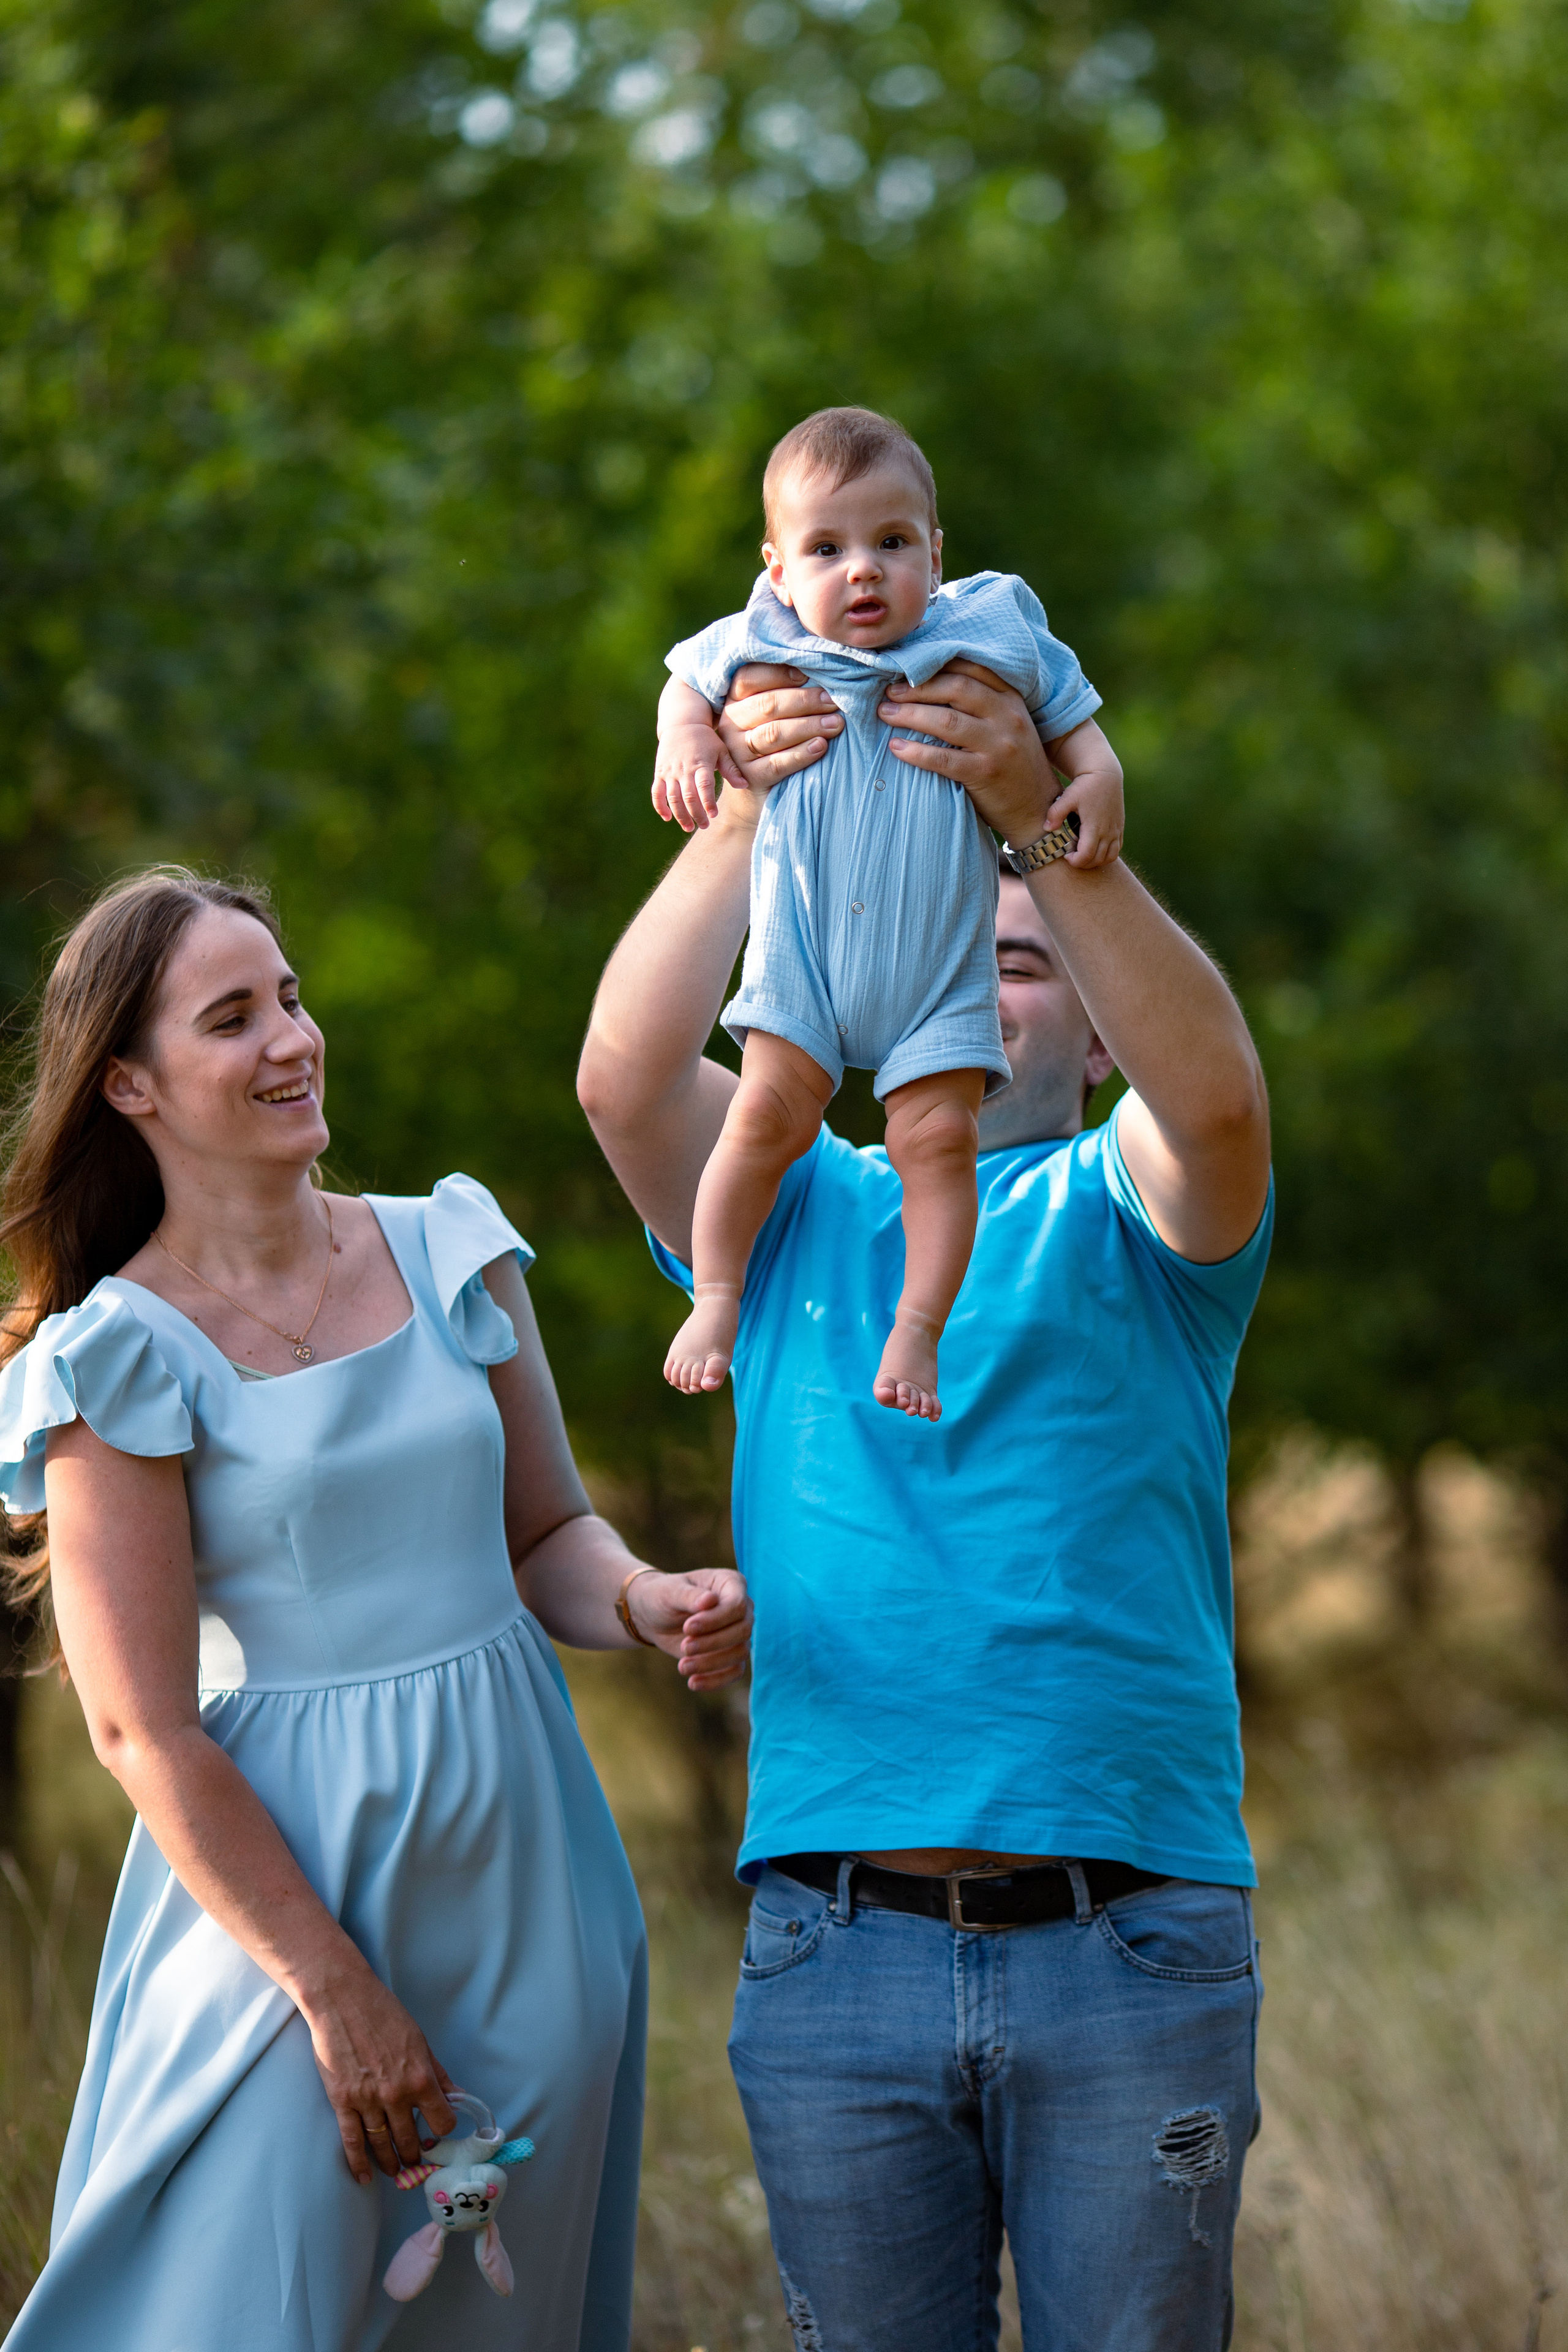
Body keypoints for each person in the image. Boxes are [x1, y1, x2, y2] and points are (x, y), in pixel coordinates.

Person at [578, 659, 1273, 2352]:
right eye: (937, 948)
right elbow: (624, 1079)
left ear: (1096, 1033)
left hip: (1130, 1944)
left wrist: (1044, 831)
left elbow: (1217, 1100)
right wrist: (748, 817)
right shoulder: (794, 1210)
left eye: (1013, 960)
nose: (964, 973)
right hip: (838, 1948)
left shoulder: (1137, 1214)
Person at [0, 867, 751, 2352]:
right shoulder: (114, 1358)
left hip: (526, 1872)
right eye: (232, 1018)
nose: (292, 1039)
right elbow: (139, 1730)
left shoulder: (446, 1246)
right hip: (283, 1908)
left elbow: (546, 1533)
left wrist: (641, 1595)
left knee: (493, 2315)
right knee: (234, 2306)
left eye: (289, 998)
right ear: (130, 1085)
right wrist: (332, 1992)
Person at [651, 407, 1124, 1420]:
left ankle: (917, 1329)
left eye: (893, 542)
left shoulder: (985, 629)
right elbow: (683, 688)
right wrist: (686, 743)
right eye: (827, 549)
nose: (863, 570)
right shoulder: (761, 638)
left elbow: (1071, 711)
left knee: (938, 1144)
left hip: (937, 985)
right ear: (779, 570)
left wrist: (1099, 775)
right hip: (806, 966)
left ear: (937, 554)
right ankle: (718, 1295)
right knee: (761, 1120)